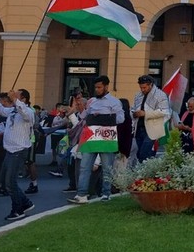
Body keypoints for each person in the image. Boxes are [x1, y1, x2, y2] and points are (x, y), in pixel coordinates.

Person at [70, 75, 124, 205]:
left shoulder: (114, 102)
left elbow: (121, 119)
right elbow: (84, 116)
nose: (97, 90)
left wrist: (103, 117)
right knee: (84, 166)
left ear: (106, 86)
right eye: (95, 87)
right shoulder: (92, 101)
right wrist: (79, 107)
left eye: (99, 87)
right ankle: (82, 194)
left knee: (107, 167)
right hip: (91, 136)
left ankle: (106, 193)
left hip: (106, 137)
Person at [0, 86, 36, 221]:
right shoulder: (13, 111)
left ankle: (17, 209)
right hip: (10, 150)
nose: (12, 96)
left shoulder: (28, 112)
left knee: (10, 181)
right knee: (5, 180)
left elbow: (24, 113)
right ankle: (25, 202)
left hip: (18, 150)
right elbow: (1, 109)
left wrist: (15, 100)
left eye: (17, 95)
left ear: (23, 99)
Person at [130, 74, 171, 165]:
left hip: (152, 129)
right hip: (138, 128)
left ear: (151, 85)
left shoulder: (161, 95)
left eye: (144, 87)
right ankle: (145, 171)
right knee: (139, 154)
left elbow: (165, 112)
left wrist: (145, 114)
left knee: (144, 154)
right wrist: (133, 113)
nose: (142, 90)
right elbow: (133, 108)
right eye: (141, 87)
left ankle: (145, 171)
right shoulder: (138, 95)